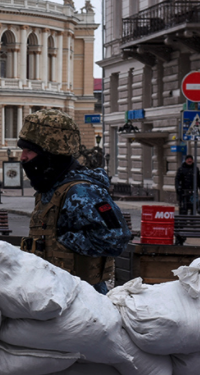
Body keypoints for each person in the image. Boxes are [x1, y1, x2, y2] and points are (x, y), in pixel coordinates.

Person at [17, 109, 131, 294]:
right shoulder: (52, 189)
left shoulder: (82, 191)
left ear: (50, 153)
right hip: (56, 294)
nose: (23, 157)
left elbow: (116, 238)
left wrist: (63, 241)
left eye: (29, 150)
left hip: (82, 298)